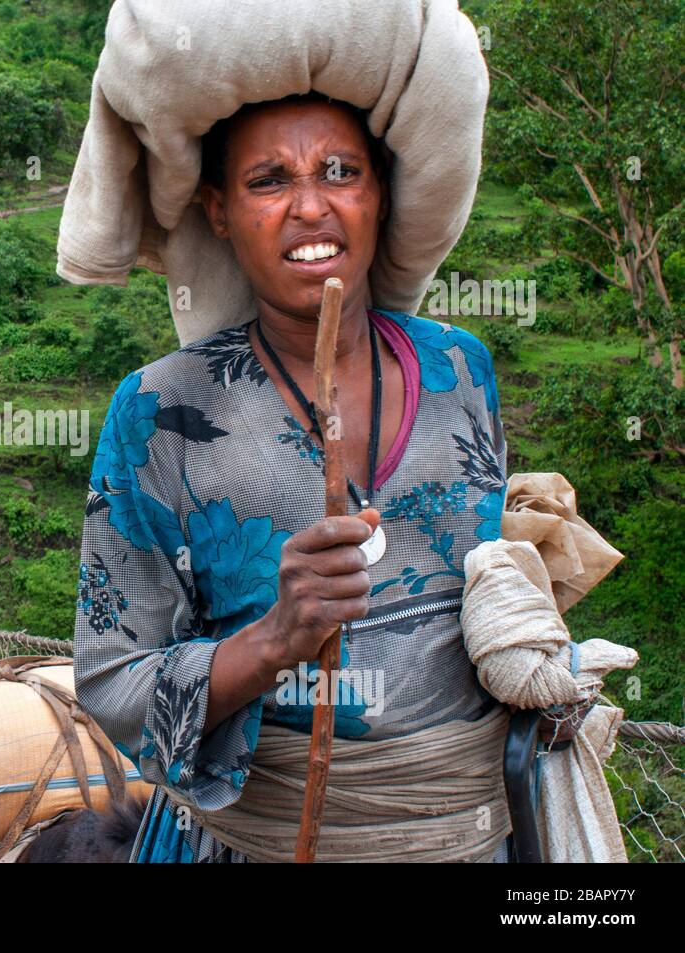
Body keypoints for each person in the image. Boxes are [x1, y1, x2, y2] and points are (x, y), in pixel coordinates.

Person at [72, 92, 580, 864]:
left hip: (472, 839)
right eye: (269, 181)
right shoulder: (159, 411)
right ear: (219, 210)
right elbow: (111, 685)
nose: (311, 206)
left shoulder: (459, 369)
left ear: (379, 192)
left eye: (340, 171)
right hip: (260, 846)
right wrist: (274, 640)